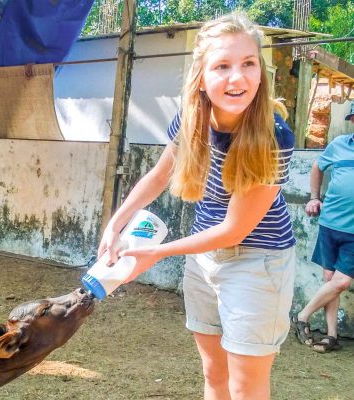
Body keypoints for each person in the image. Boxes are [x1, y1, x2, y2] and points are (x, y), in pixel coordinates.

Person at [98, 13, 296, 400]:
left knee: (245, 386)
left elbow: (235, 230)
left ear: (261, 72)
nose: (236, 78)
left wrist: (152, 254)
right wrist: (115, 224)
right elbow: (158, 176)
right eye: (222, 66)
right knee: (214, 375)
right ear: (201, 77)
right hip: (204, 259)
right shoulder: (191, 119)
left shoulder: (274, 136)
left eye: (248, 64)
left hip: (258, 261)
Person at [292, 102, 354, 353]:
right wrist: (314, 197)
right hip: (330, 222)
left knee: (340, 282)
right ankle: (331, 336)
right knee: (329, 279)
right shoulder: (339, 145)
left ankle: (302, 316)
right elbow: (318, 166)